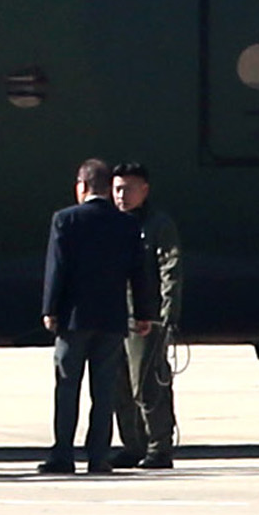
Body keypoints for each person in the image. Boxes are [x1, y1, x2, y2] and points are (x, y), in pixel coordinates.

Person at [40, 159, 159, 475]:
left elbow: (57, 269)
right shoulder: (128, 225)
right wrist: (144, 313)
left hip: (73, 319)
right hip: (111, 319)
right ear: (109, 188)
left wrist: (50, 309)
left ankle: (63, 455)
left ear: (81, 186)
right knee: (103, 392)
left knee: (67, 387)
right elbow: (139, 273)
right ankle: (98, 457)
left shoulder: (65, 220)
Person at [112, 162, 182, 470]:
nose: (122, 196)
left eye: (128, 189)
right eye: (117, 189)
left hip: (145, 318)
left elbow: (171, 268)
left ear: (145, 190)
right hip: (113, 316)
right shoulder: (110, 223)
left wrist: (167, 316)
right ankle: (132, 444)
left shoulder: (157, 225)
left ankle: (159, 446)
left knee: (147, 383)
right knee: (119, 385)